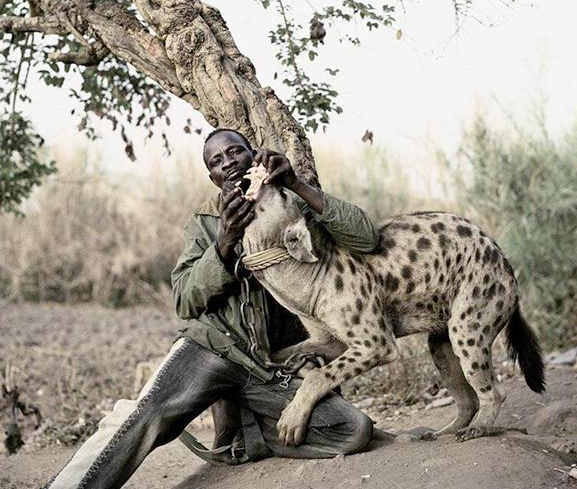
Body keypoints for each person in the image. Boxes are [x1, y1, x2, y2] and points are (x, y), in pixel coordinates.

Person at [43, 128, 380, 489]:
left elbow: (367, 238)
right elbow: (184, 300)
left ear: (254, 156)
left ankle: (251, 435)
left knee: (352, 430)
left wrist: (297, 184)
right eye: (217, 161)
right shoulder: (206, 221)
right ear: (213, 178)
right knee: (146, 416)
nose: (228, 163)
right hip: (211, 347)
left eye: (235, 152)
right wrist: (224, 241)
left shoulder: (292, 204)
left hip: (267, 363)